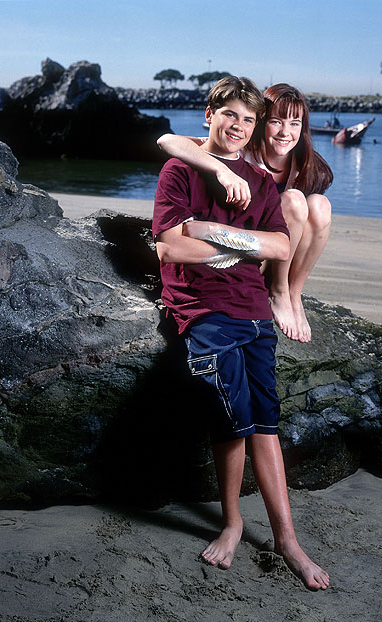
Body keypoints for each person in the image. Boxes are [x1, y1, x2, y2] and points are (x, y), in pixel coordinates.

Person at [153, 76, 329, 591]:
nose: (239, 126)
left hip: (253, 312)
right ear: (209, 115)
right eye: (230, 114)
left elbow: (279, 245)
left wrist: (211, 234)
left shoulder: (261, 179)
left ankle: (286, 538)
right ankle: (232, 522)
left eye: (248, 119)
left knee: (266, 422)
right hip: (203, 311)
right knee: (234, 418)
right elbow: (170, 250)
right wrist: (240, 246)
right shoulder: (180, 170)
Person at [157, 83, 333, 343]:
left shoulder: (307, 164)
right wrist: (223, 170)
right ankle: (276, 290)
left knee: (318, 205)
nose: (286, 132)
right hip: (251, 254)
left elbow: (294, 235)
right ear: (261, 122)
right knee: (295, 201)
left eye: (295, 123)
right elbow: (167, 141)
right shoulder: (241, 151)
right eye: (276, 121)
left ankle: (291, 292)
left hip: (272, 248)